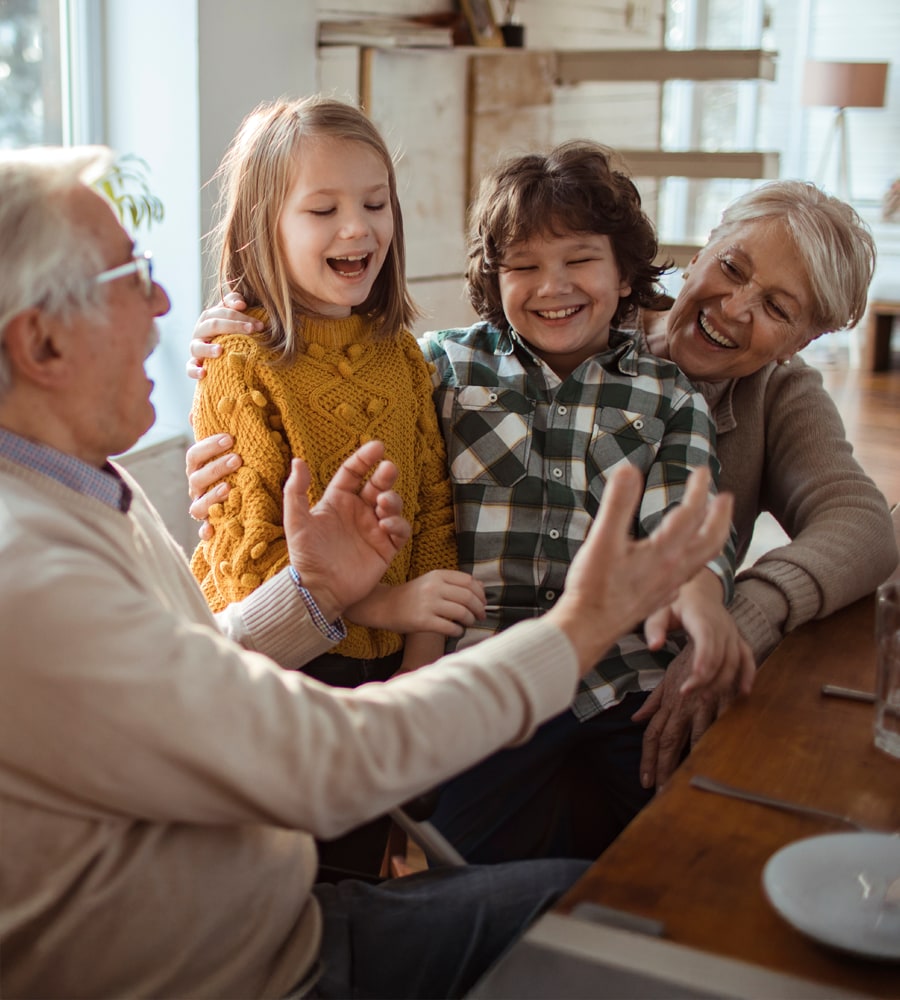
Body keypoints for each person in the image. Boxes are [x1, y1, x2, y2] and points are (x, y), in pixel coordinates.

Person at [0, 145, 736, 999]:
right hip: (252, 976)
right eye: (133, 276)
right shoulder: (30, 577)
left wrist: (312, 593)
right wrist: (578, 630)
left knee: (605, 916)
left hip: (289, 921)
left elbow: (190, 674)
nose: (167, 304)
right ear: (40, 342)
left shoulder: (81, 487)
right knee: (614, 948)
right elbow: (331, 761)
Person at [188, 165, 898, 840]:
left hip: (625, 675)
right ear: (705, 244)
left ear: (808, 339)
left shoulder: (734, 396)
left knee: (706, 826)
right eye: (734, 268)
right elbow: (349, 432)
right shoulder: (460, 360)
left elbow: (848, 524)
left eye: (777, 308)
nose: (736, 307)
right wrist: (242, 375)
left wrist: (732, 612)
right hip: (485, 659)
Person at [191, 95, 485, 690]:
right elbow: (249, 562)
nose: (357, 227)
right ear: (263, 228)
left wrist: (420, 656)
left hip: (398, 662)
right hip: (278, 667)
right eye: (323, 209)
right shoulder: (239, 364)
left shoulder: (401, 355)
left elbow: (433, 510)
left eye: (376, 203)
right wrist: (391, 606)